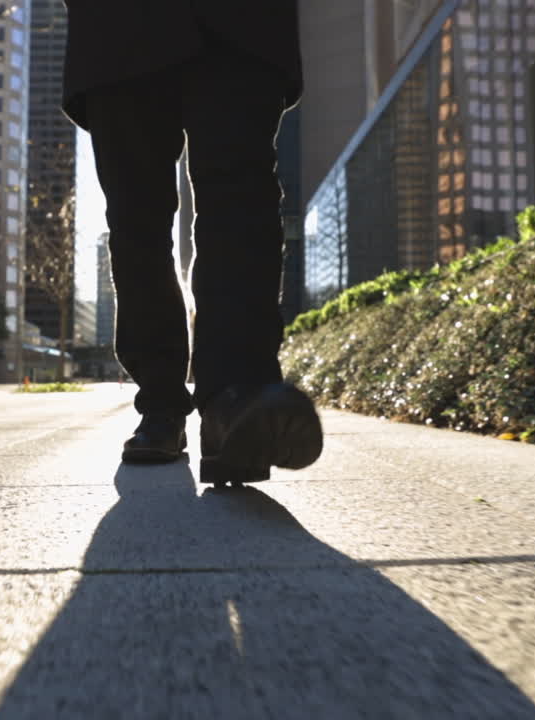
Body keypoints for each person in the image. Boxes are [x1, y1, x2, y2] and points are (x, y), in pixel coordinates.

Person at [62, 0, 322, 485]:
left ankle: (234, 397)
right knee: (136, 215)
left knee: (241, 198)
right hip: (115, 25)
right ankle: (161, 403)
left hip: (241, 22)